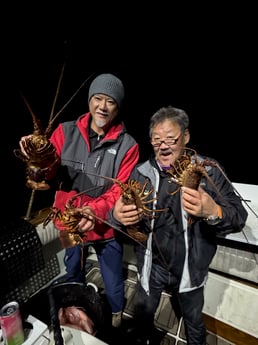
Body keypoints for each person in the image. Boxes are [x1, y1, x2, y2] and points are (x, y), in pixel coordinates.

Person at [108, 106, 248, 344]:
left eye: (171, 139)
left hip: (190, 268)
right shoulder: (140, 173)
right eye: (157, 140)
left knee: (193, 320)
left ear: (186, 137)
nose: (164, 146)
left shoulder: (207, 170)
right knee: (144, 314)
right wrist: (116, 216)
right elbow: (120, 217)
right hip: (152, 265)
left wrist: (213, 211)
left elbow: (238, 216)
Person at [19, 73, 140, 328]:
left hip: (106, 227)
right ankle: (75, 320)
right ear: (90, 100)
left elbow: (120, 190)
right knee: (72, 270)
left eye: (110, 101)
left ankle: (115, 320)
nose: (103, 106)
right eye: (97, 98)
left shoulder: (129, 145)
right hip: (69, 224)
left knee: (113, 278)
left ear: (118, 107)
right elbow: (50, 171)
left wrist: (94, 210)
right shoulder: (64, 131)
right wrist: (36, 157)